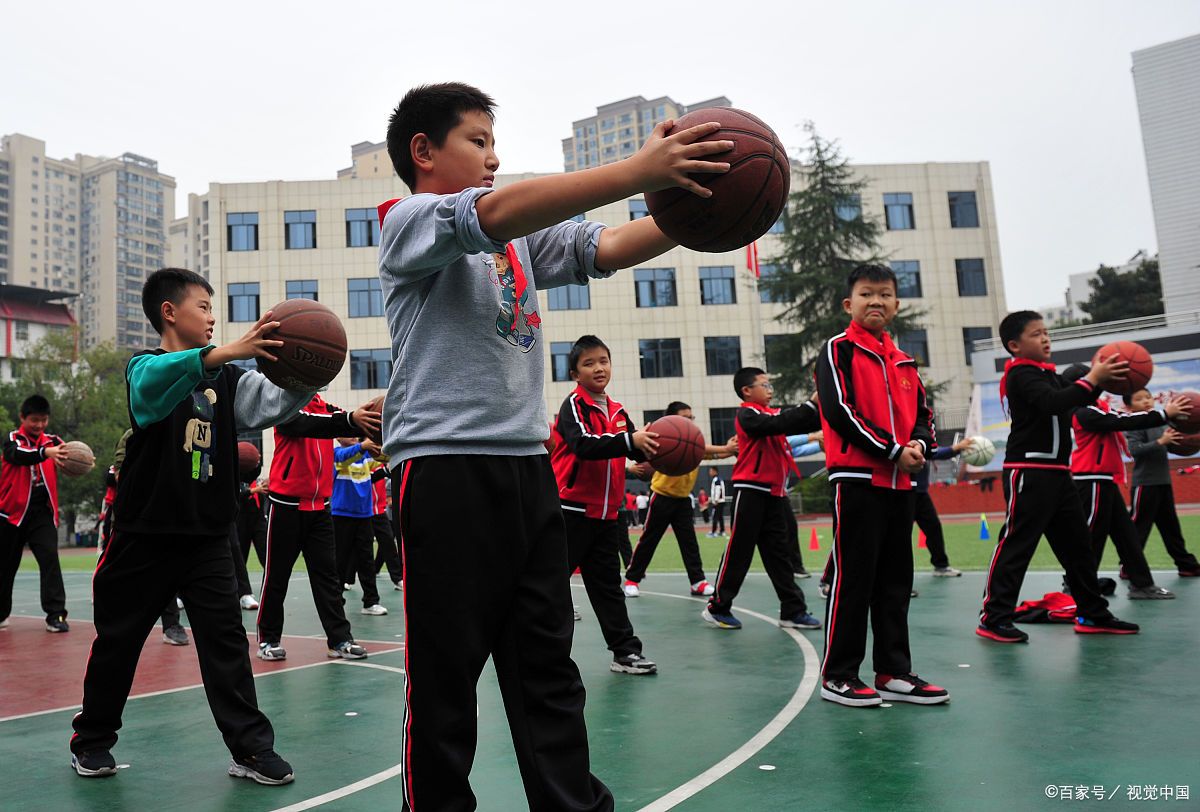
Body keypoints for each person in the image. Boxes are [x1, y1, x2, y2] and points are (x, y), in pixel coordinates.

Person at [377, 81, 733, 810]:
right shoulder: (408, 221)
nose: (493, 156)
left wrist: (701, 198)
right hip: (444, 472)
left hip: (528, 473)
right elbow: (501, 209)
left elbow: (611, 243)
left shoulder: (517, 241)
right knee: (446, 680)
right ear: (423, 150)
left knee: (548, 669)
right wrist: (639, 170)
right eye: (477, 141)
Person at [70, 267, 307, 784]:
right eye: (203, 306)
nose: (212, 316)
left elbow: (270, 404)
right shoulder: (144, 368)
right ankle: (91, 738)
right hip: (143, 537)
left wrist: (307, 371)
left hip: (206, 538)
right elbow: (156, 386)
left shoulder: (226, 377)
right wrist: (227, 352)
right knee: (119, 644)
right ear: (169, 312)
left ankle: (249, 749)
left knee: (225, 647)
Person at [814, 264, 948, 708]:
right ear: (849, 304)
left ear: (896, 303)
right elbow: (839, 412)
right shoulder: (838, 351)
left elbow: (924, 417)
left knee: (895, 579)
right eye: (867, 294)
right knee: (854, 579)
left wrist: (919, 444)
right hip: (857, 479)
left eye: (886, 294)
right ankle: (838, 674)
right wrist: (893, 450)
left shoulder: (905, 361)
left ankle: (893, 670)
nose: (877, 301)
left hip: (900, 483)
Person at [976, 310, 1139, 644]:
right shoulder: (1022, 374)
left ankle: (1093, 614)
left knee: (1079, 548)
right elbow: (1053, 402)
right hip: (1030, 472)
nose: (1045, 338)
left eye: (1046, 332)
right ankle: (994, 618)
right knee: (1017, 546)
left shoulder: (1047, 375)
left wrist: (1101, 382)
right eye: (1036, 334)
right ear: (1014, 345)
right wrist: (1093, 378)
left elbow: (1069, 401)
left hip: (1060, 474)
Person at [551, 334, 658, 675]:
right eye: (588, 363)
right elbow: (584, 444)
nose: (598, 368)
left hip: (606, 515)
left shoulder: (617, 411)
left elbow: (633, 449)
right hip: (571, 511)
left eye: (603, 361)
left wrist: (657, 450)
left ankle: (625, 653)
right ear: (575, 374)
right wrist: (630, 440)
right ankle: (536, 650)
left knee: (608, 588)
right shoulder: (573, 406)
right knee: (550, 584)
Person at [256, 393, 379, 661]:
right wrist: (349, 420)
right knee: (277, 577)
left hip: (321, 507)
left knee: (328, 579)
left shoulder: (323, 406)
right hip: (286, 506)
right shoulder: (285, 404)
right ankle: (268, 639)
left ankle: (340, 640)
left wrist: (371, 420)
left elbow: (344, 423)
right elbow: (309, 424)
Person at [703, 368, 822, 632]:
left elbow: (794, 423)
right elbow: (781, 423)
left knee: (779, 554)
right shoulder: (748, 414)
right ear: (747, 391)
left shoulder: (771, 414)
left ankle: (793, 610)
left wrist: (820, 408)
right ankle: (717, 607)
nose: (770, 390)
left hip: (774, 493)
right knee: (739, 551)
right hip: (751, 490)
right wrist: (811, 404)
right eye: (764, 385)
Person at [1062, 365, 1183, 599]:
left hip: (1104, 480)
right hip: (1091, 481)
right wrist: (1164, 414)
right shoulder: (1082, 413)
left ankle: (1142, 585)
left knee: (1127, 535)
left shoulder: (1096, 408)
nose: (1097, 382)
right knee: (1090, 537)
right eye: (1092, 379)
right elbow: (1125, 421)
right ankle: (1075, 584)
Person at [622, 401, 736, 598]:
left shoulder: (694, 445)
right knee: (649, 540)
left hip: (683, 499)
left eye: (691, 417)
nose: (690, 421)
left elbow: (711, 452)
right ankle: (632, 579)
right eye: (685, 417)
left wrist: (732, 449)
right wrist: (726, 446)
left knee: (689, 542)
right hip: (662, 496)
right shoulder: (666, 438)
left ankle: (697, 582)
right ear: (674, 419)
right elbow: (706, 447)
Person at [0, 394, 69, 633]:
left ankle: (56, 615)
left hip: (42, 512)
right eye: (34, 420)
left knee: (50, 558)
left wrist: (78, 461)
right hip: (11, 513)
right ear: (22, 417)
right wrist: (45, 454)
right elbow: (17, 455)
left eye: (43, 419)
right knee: (5, 565)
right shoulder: (12, 438)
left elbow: (67, 455)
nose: (39, 424)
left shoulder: (53, 441)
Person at [1124, 387, 1200, 576]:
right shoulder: (1134, 424)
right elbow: (1134, 451)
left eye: (1148, 397)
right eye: (1139, 399)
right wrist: (1161, 441)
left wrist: (1189, 441)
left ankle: (1186, 565)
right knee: (1139, 528)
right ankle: (1128, 566)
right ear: (1129, 406)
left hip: (1163, 482)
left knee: (1171, 529)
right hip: (1144, 485)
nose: (1146, 401)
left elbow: (1173, 445)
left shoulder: (1161, 423)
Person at [332, 437, 388, 615]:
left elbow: (385, 458)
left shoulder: (365, 457)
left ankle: (371, 602)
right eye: (348, 433)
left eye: (355, 433)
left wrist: (381, 444)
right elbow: (345, 456)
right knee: (339, 560)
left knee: (366, 561)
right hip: (341, 515)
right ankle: (336, 600)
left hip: (364, 514)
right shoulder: (336, 454)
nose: (353, 435)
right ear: (338, 437)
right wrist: (363, 446)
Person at [913, 438, 974, 577]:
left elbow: (932, 450)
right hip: (903, 493)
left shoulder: (920, 435)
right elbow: (934, 452)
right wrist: (956, 447)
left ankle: (941, 566)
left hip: (921, 494)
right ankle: (897, 579)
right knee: (900, 536)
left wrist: (957, 449)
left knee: (933, 528)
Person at [370, 461, 404, 590]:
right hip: (362, 511)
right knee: (356, 548)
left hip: (379, 510)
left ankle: (398, 578)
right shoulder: (361, 460)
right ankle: (347, 578)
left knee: (388, 544)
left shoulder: (380, 464)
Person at [708, 466, 727, 537]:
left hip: (718, 502)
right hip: (721, 501)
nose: (710, 472)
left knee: (715, 517)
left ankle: (713, 532)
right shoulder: (719, 479)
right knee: (720, 517)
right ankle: (722, 531)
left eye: (711, 471)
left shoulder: (716, 480)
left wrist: (715, 500)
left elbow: (718, 490)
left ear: (715, 471)